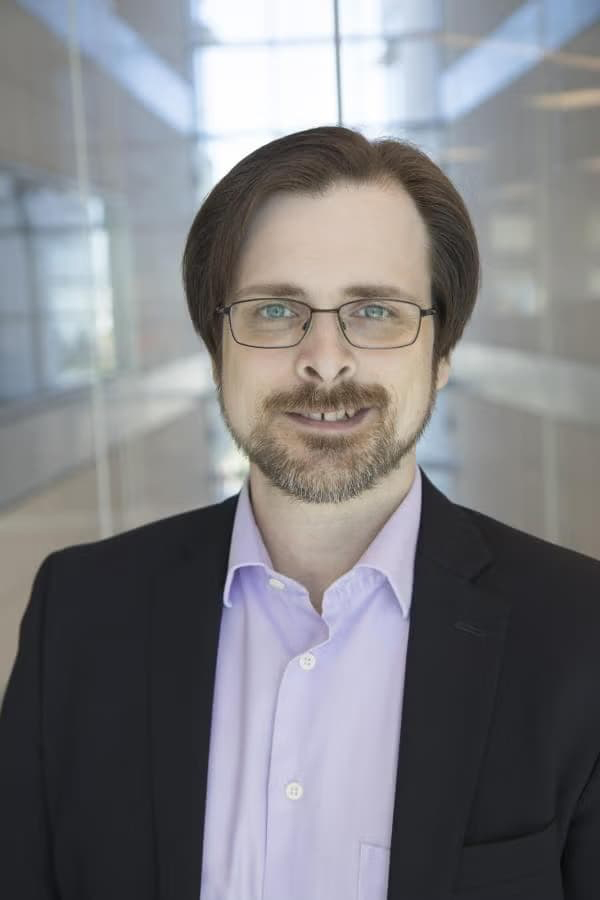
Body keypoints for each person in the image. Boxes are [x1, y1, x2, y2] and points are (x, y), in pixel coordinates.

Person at [1, 125, 599, 900]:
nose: (324, 358)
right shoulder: (78, 613)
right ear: (217, 348)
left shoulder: (582, 633)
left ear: (441, 352)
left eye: (376, 311)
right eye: (277, 309)